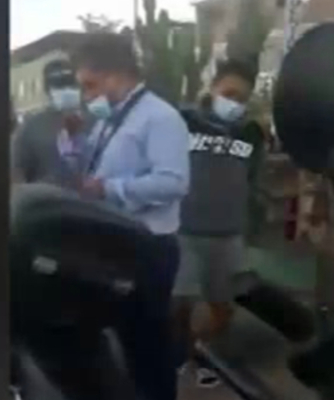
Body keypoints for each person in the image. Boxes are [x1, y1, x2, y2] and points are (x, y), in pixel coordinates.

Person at [58, 32, 190, 400]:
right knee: (122, 347)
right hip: (114, 244)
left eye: (90, 85)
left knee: (148, 351)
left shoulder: (159, 118)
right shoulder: (108, 120)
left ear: (116, 74)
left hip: (148, 247)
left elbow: (174, 182)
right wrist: (72, 143)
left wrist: (110, 189)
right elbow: (92, 168)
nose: (86, 96)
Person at [173, 58, 265, 388]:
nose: (235, 103)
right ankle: (181, 360)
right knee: (178, 305)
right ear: (212, 89)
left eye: (242, 98)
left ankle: (203, 353)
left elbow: (252, 179)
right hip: (184, 230)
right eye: (229, 94)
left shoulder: (251, 133)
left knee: (223, 309)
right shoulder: (183, 121)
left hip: (228, 235)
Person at [10, 59, 89, 186]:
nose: (66, 90)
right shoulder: (32, 127)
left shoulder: (98, 119)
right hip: (50, 196)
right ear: (47, 90)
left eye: (70, 84)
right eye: (59, 86)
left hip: (94, 195)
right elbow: (17, 172)